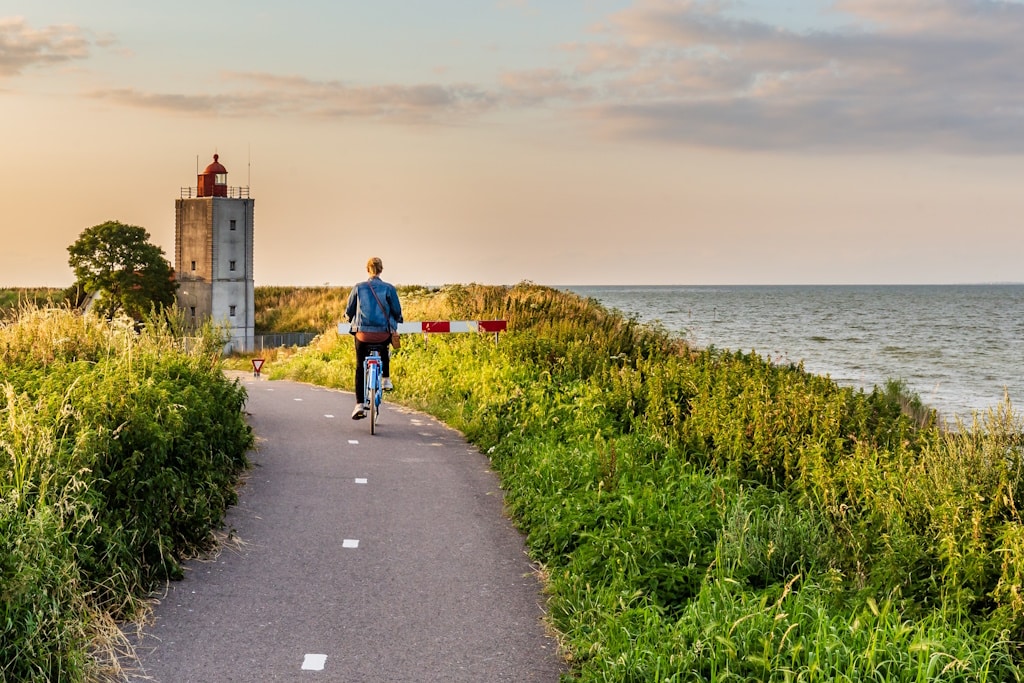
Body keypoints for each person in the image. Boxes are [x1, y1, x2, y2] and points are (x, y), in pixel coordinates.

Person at [345, 257, 403, 419]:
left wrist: (349, 317)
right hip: (383, 334)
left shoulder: (358, 288)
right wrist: (395, 320)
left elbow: (349, 311)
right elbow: (397, 311)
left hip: (362, 335)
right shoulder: (389, 288)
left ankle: (358, 404)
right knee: (384, 346)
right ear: (381, 270)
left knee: (359, 366)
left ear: (367, 270)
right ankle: (386, 378)